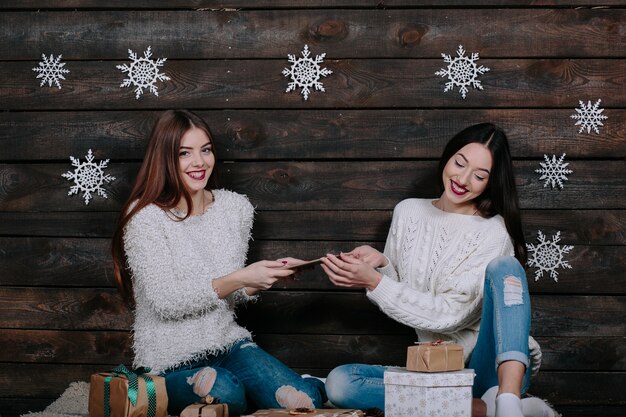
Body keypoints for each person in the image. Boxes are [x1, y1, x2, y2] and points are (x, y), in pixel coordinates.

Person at [320, 123, 558, 417]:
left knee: (505, 267)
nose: (463, 178)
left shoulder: (493, 232)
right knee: (342, 384)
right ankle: (485, 409)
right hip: (436, 367)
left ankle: (508, 402)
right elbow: (405, 290)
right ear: (448, 157)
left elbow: (449, 315)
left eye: (479, 176)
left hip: (488, 367)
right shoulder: (408, 211)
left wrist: (376, 283)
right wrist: (382, 264)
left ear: (490, 182)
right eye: (459, 163)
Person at [111, 109, 325, 415]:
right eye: (185, 153)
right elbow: (165, 301)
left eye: (206, 150)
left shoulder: (234, 208)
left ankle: (288, 384)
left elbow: (232, 295)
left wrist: (261, 278)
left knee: (307, 401)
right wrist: (241, 277)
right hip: (170, 360)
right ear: (165, 159)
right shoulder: (145, 217)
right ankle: (244, 389)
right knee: (224, 391)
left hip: (230, 346)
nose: (199, 162)